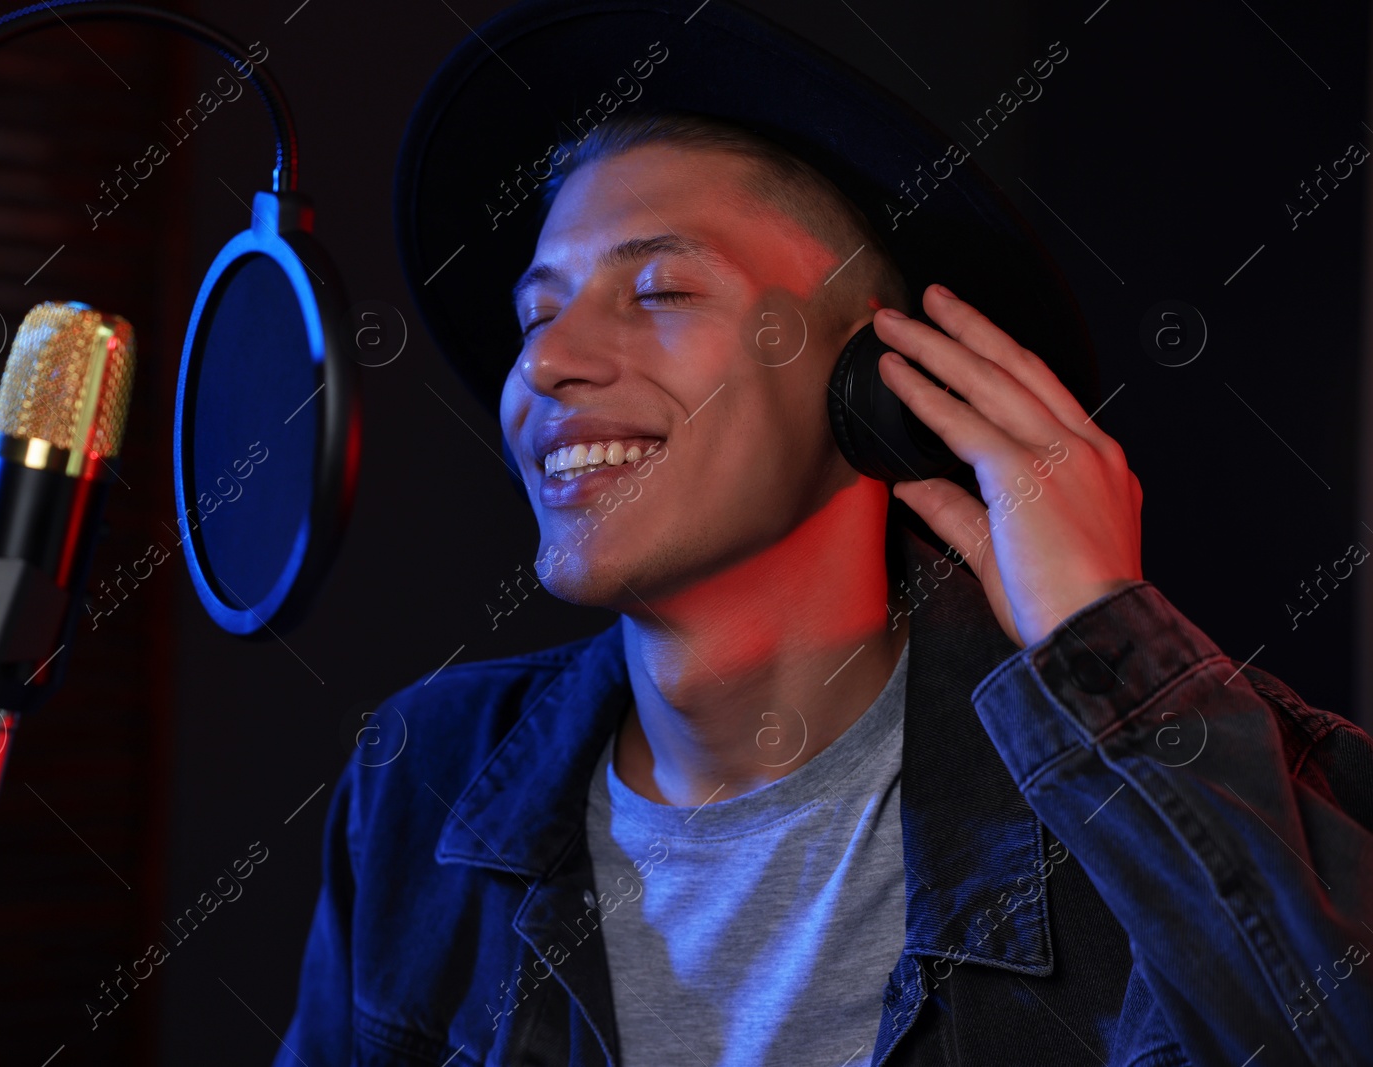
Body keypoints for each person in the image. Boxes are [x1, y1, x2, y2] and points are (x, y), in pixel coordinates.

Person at [276, 4, 1373, 1065]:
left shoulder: (1212, 786)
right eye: (535, 313)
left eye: (656, 288)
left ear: (880, 388)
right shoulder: (421, 780)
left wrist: (1105, 650)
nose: (549, 361)